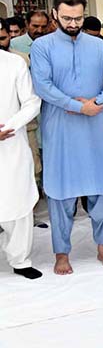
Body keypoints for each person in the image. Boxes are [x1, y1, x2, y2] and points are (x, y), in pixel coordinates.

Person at [30, 0, 103, 275]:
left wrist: (98, 102)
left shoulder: (98, 46)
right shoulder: (42, 46)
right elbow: (43, 86)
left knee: (102, 186)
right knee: (60, 190)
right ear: (55, 14)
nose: (73, 23)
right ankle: (61, 253)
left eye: (78, 18)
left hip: (96, 126)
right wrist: (76, 105)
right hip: (61, 127)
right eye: (67, 18)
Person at [0, 48, 43, 279]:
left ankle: (20, 259)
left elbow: (32, 102)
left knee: (18, 200)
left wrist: (10, 126)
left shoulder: (13, 63)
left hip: (10, 143)